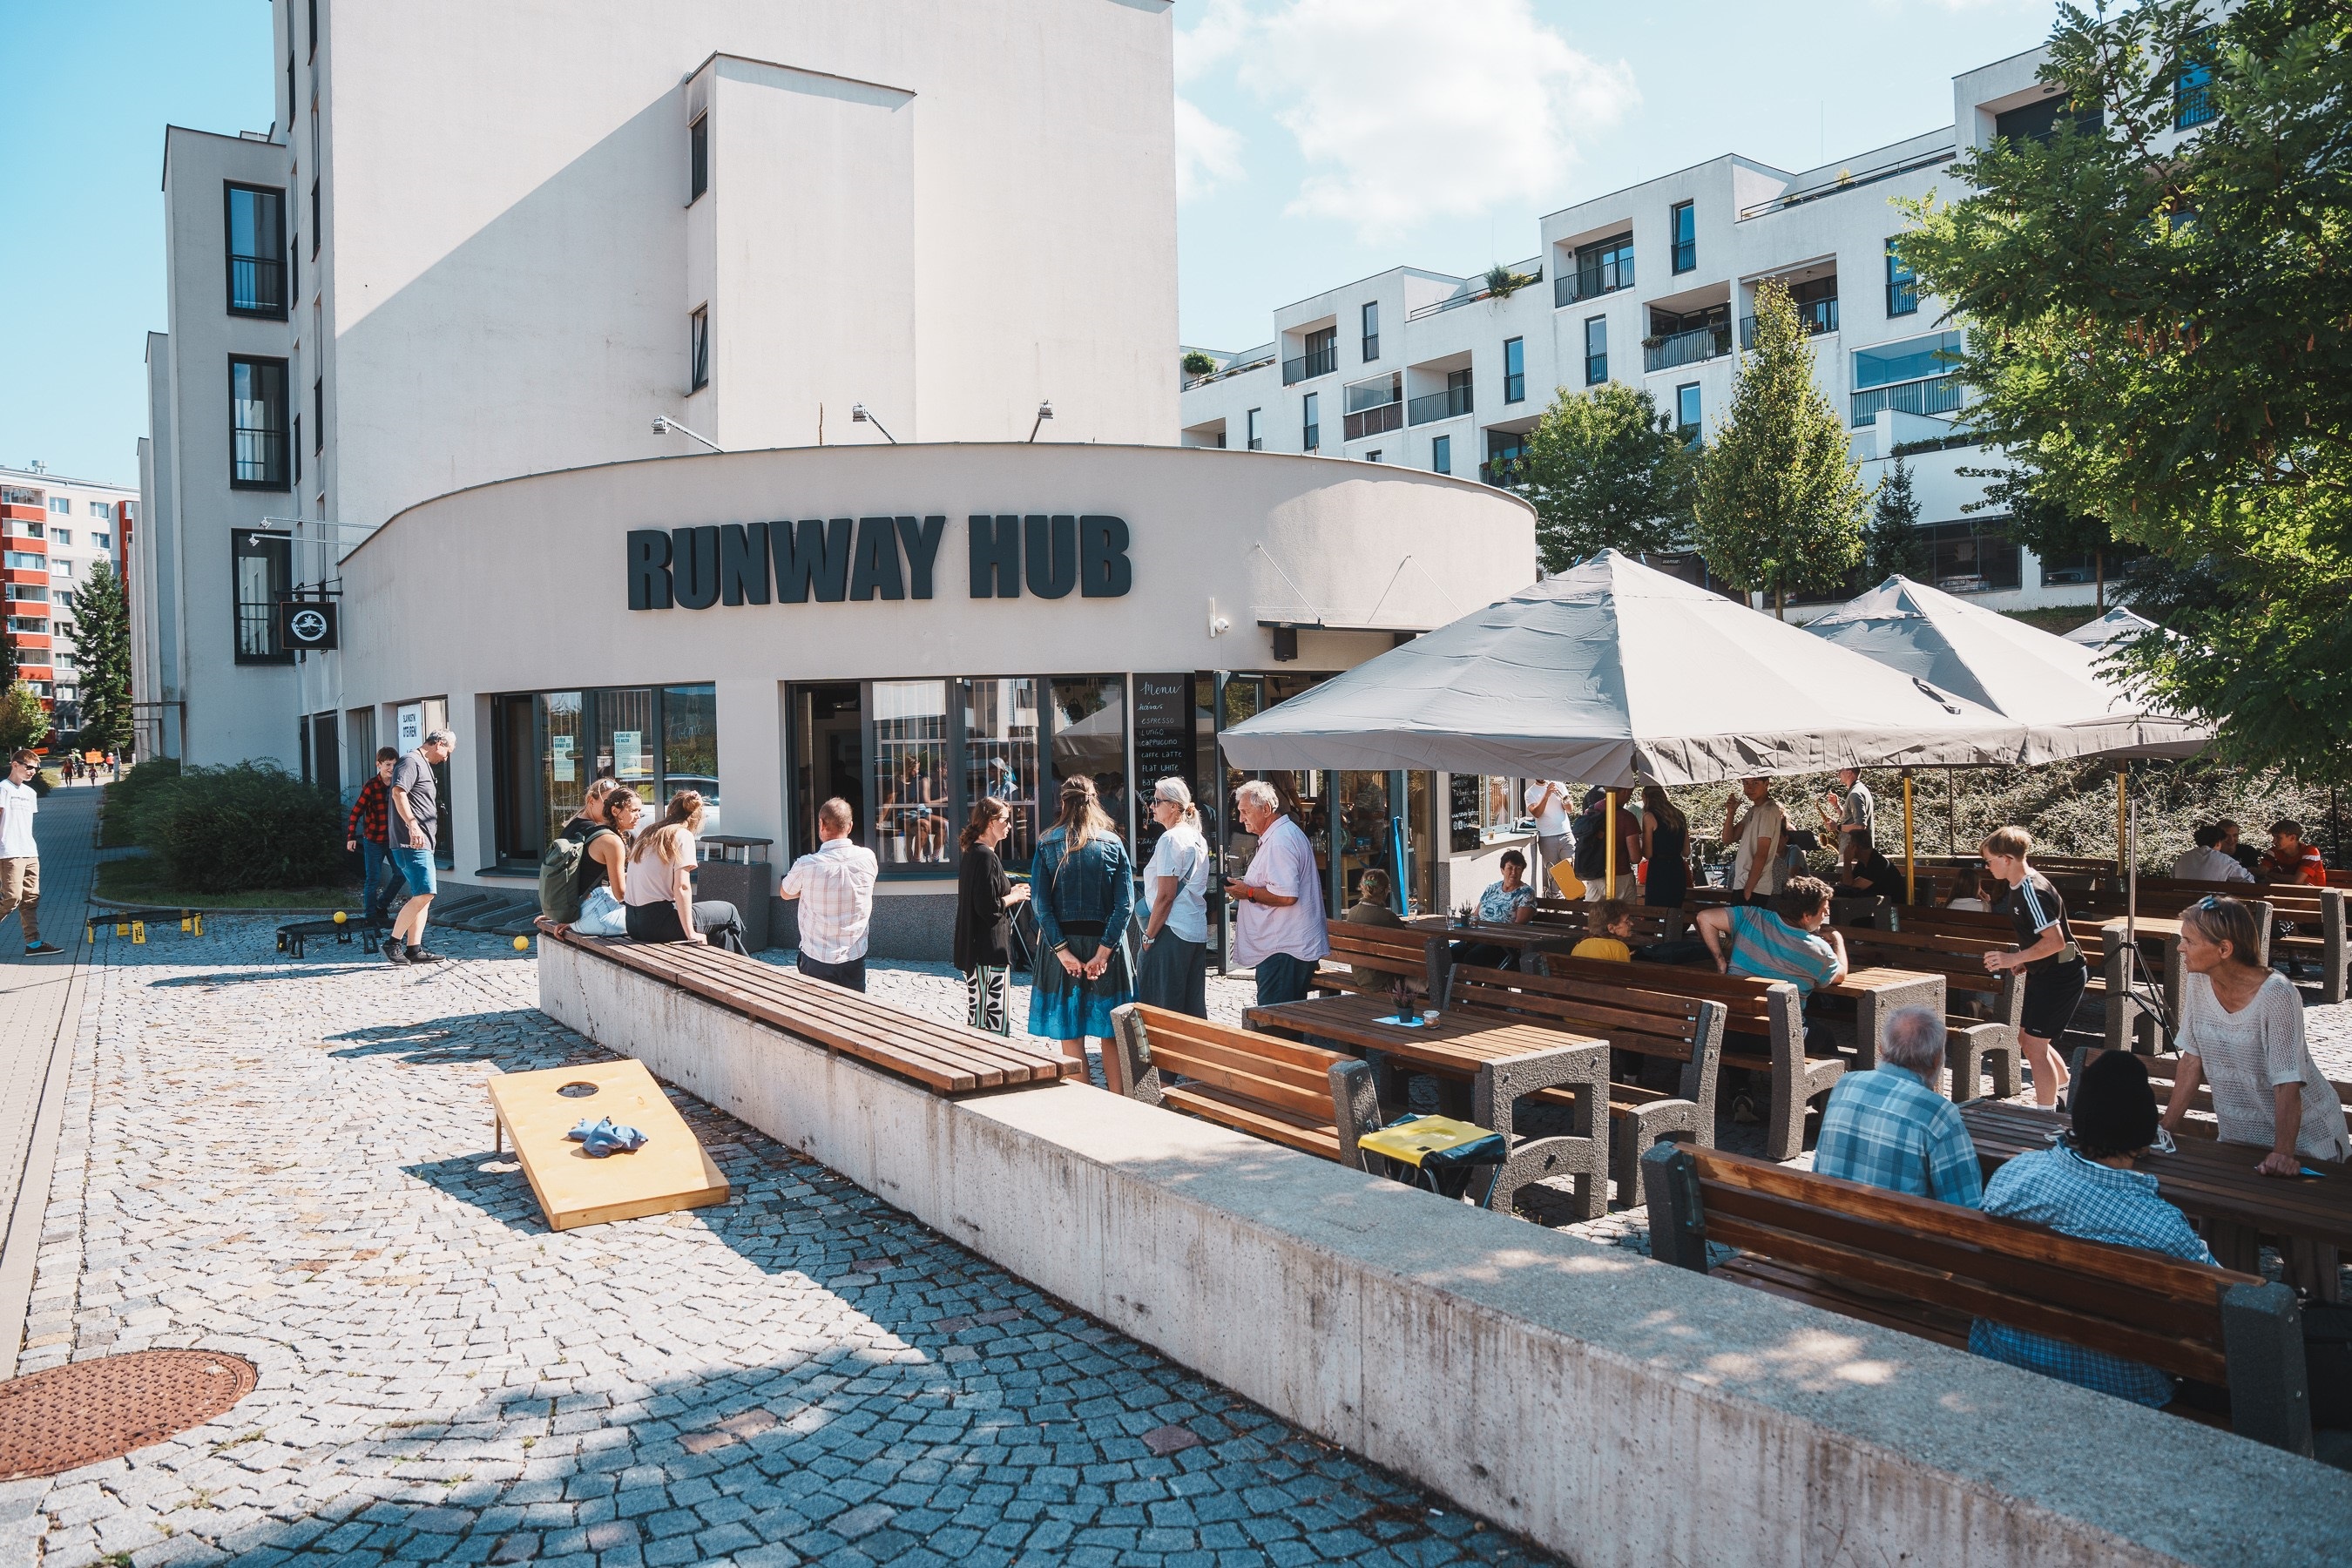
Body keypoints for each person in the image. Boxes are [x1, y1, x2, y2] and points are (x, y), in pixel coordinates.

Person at [1972, 1050, 2215, 1408]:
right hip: (2124, 1389)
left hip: (2007, 1357)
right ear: (2144, 1135)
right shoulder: (2161, 1227)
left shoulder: (2012, 1179)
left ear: (2079, 1119)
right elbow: (2222, 1303)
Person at [2163, 896, 2350, 1171]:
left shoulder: (2277, 994)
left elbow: (2287, 1081)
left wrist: (2282, 1153)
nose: (2180, 947)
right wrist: (2163, 1131)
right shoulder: (2199, 979)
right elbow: (2192, 1060)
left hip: (2306, 1146)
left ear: (2224, 949)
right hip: (2238, 1143)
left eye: (2189, 941)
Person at [1812, 1005, 1982, 1205]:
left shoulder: (1845, 1085)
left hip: (1830, 1216)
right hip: (1893, 1225)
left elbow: (1819, 1170)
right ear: (1937, 1060)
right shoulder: (1939, 1114)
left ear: (1881, 1049)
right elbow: (1966, 1206)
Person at [1029, 776, 1136, 1070]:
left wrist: (1063, 952)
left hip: (1063, 945)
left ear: (1062, 802)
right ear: (1095, 801)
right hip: (1106, 946)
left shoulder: (1047, 843)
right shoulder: (1113, 843)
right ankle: (1118, 1097)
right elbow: (1125, 905)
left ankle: (1083, 1098)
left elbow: (1041, 905)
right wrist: (1103, 952)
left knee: (1070, 1034)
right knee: (1111, 1032)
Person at [1979, 826, 2087, 1110]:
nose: (1987, 867)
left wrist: (2012, 958)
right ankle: (2069, 1100)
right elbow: (2044, 941)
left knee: (2035, 1046)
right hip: (2049, 971)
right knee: (2029, 1041)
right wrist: (2027, 960)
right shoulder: (2020, 885)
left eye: (1988, 861)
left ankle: (2045, 1117)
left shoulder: (2031, 890)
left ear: (2006, 859)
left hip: (2062, 975)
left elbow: (2056, 941)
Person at [1229, 778, 1329, 1008]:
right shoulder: (1280, 835)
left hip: (1284, 949)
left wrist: (1248, 892)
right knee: (1281, 1016)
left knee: (1275, 1019)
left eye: (1245, 812)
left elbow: (1287, 896)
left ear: (1266, 809)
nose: (1241, 818)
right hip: (1283, 947)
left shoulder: (1280, 841)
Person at [622, 790, 747, 951]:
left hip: (633, 923)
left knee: (721, 934)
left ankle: (731, 964)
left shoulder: (648, 833)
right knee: (729, 911)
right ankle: (742, 961)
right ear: (697, 818)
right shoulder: (681, 835)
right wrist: (690, 933)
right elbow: (682, 887)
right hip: (659, 923)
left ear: (670, 810)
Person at [1695, 875, 1848, 1002]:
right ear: (1807, 916)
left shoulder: (1750, 916)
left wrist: (1720, 961)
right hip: (1781, 1026)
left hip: (1732, 1017)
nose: (1827, 915)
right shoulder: (1818, 949)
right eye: (1824, 911)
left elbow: (1705, 918)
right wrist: (1837, 938)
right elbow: (1840, 976)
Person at [780, 796, 879, 990]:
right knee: (853, 1007)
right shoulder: (868, 858)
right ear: (850, 826)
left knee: (815, 1008)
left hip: (817, 957)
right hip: (854, 955)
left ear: (821, 824)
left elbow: (785, 893)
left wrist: (806, 891)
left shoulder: (806, 865)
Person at [953, 797, 1031, 1035]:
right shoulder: (985, 856)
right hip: (987, 950)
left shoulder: (974, 853)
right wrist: (1014, 896)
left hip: (977, 949)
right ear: (990, 822)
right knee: (992, 1025)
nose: (1010, 826)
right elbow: (988, 908)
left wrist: (1010, 891)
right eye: (1006, 820)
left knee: (979, 1019)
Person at [1135, 779, 1212, 1017]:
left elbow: (1166, 896)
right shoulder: (1198, 837)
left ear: (1174, 806)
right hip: (1193, 928)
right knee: (1191, 1008)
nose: (1152, 806)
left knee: (1163, 1007)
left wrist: (1148, 936)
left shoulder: (1170, 839)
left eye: (1157, 801)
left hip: (1170, 929)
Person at [383, 729, 454, 966]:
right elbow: (398, 793)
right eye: (447, 752)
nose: (446, 758)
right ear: (439, 743)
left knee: (423, 896)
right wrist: (413, 825)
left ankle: (414, 949)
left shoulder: (423, 764)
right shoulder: (410, 761)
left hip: (422, 842)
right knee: (426, 893)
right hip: (410, 841)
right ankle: (393, 943)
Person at [0, 751, 60, 957]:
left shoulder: (30, 793)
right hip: (8, 852)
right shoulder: (3, 789)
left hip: (29, 851)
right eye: (29, 767)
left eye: (36, 768)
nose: (33, 771)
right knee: (12, 898)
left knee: (31, 898)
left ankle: (33, 944)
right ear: (15, 764)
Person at [343, 746, 403, 923]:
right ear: (379, 765)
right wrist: (351, 836)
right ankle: (370, 918)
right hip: (373, 840)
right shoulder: (371, 786)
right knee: (373, 879)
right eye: (388, 764)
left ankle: (381, 906)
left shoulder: (398, 784)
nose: (391, 768)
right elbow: (356, 812)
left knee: (401, 873)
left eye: (394, 764)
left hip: (393, 839)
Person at [553, 779, 630, 916]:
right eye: (607, 802)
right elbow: (619, 892)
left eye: (616, 804)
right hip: (593, 908)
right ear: (591, 801)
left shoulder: (574, 826)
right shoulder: (597, 833)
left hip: (575, 907)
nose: (612, 809)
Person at [1451, 848, 1536, 972]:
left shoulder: (1526, 893)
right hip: (1479, 936)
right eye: (1510, 868)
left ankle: (1474, 985)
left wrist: (1493, 934)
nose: (1513, 872)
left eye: (1518, 868)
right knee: (1453, 951)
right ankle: (1452, 984)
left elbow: (1519, 925)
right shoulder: (1492, 888)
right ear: (1502, 870)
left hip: (1503, 943)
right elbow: (1476, 915)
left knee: (1473, 957)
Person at [1722, 778, 1788, 906]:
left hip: (1754, 887)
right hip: (1744, 883)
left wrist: (1748, 889)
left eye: (1755, 783)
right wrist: (1731, 813)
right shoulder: (1753, 810)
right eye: (1745, 783)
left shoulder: (1768, 810)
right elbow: (1727, 839)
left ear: (1766, 784)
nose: (1749, 788)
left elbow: (1762, 852)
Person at [1340, 867, 1409, 988]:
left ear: (1362, 887)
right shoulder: (1388, 917)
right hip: (1384, 977)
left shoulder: (1352, 912)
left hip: (1360, 975)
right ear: (1386, 890)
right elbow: (1406, 945)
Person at [1638, 786, 1689, 910]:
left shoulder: (1649, 817)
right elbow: (1686, 851)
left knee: (1654, 912)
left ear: (1646, 798)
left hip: (1659, 869)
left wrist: (1640, 840)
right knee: (1674, 912)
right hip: (1677, 868)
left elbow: (1648, 854)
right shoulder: (1679, 815)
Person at [1817, 768, 1875, 876]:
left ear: (1849, 772)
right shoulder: (1859, 790)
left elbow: (1860, 826)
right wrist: (1836, 806)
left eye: (1841, 771)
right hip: (1855, 851)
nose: (1838, 773)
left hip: (1853, 852)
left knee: (1847, 883)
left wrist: (1837, 827)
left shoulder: (1855, 794)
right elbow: (1850, 819)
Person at [1833, 834, 1908, 903]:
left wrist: (1847, 860)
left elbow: (1852, 887)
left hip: (1893, 908)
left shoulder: (1878, 863)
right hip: (1876, 905)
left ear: (1855, 847)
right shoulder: (1863, 862)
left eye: (1849, 844)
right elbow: (1846, 882)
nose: (1846, 848)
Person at [1524, 780, 1573, 886]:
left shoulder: (1559, 785)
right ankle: (1555, 896)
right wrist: (1546, 796)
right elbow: (1537, 813)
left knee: (1573, 868)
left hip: (1566, 834)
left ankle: (1576, 894)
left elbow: (1570, 810)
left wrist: (1563, 799)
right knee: (1554, 875)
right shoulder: (1530, 792)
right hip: (1547, 838)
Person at [2171, 822, 2253, 884]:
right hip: (2211, 901)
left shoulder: (2182, 858)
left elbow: (2172, 879)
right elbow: (2248, 880)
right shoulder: (2225, 860)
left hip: (2183, 901)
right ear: (2218, 842)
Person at [2259, 819, 2328, 886]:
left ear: (2293, 838)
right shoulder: (2273, 852)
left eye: (2278, 837)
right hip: (2283, 892)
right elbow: (2262, 875)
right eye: (2273, 837)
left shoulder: (2311, 852)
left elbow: (2297, 881)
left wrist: (2270, 874)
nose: (2273, 841)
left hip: (2314, 893)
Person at [1569, 899, 1638, 963]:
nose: (1632, 924)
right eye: (1627, 921)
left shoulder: (1579, 946)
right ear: (1611, 928)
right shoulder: (1619, 948)